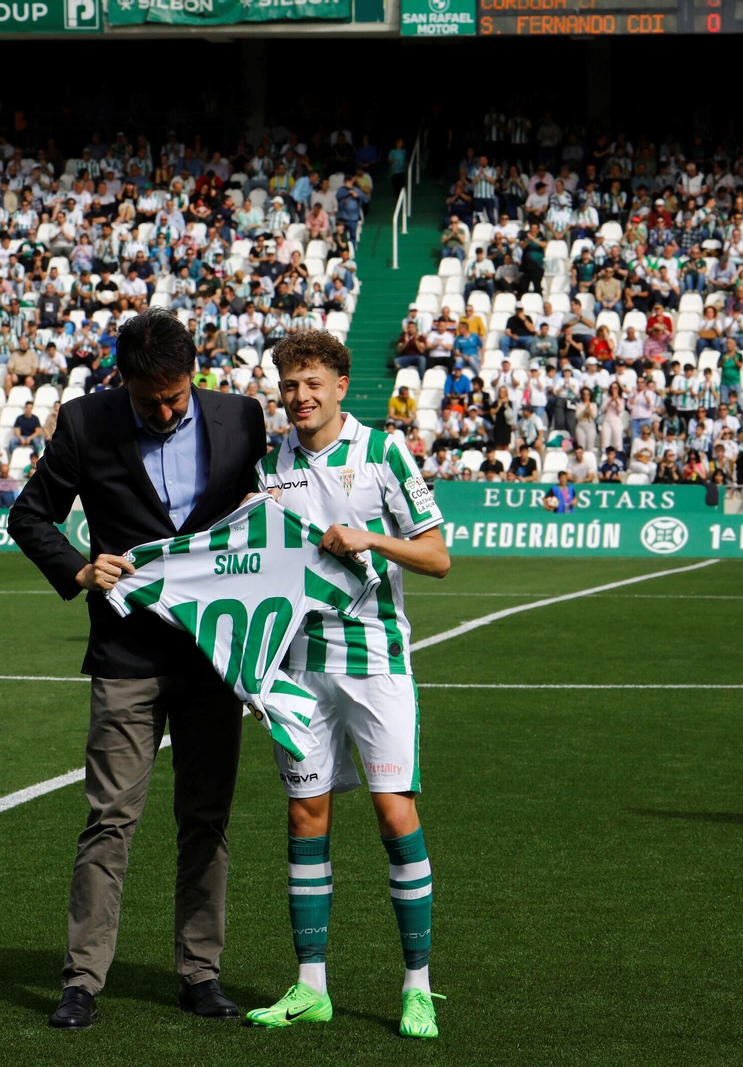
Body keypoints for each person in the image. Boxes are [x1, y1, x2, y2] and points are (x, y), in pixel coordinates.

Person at [8, 308, 267, 1030]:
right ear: (123, 378)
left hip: (216, 656)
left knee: (206, 818)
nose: (166, 408)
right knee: (109, 819)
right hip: (126, 655)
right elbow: (29, 516)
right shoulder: (86, 424)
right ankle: (82, 979)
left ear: (194, 375)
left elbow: (272, 520)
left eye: (177, 395)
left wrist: (265, 646)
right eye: (152, 398)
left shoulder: (243, 419)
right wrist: (81, 566)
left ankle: (200, 972)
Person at [247, 330, 450, 1040]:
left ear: (339, 385)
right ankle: (311, 985)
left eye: (311, 383)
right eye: (289, 386)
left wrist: (371, 539)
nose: (299, 397)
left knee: (395, 812)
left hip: (377, 664)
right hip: (299, 667)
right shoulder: (270, 465)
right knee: (306, 816)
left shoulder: (384, 452)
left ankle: (417, 986)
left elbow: (437, 556)